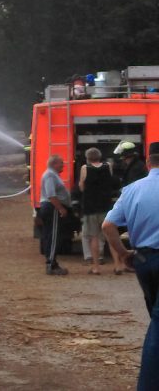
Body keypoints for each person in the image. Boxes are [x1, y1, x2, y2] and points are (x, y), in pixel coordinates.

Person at [102, 142, 159, 391]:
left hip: (145, 261)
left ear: (148, 163)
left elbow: (107, 226)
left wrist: (124, 254)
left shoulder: (131, 190)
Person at [78, 148, 114, 275]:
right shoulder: (108, 166)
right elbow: (111, 181)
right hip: (106, 206)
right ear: (100, 157)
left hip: (91, 208)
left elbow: (82, 187)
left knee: (94, 237)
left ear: (87, 158)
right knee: (110, 236)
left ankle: (96, 267)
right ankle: (118, 265)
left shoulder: (84, 168)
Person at [38, 155, 72, 275]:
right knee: (53, 237)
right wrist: (61, 208)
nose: (63, 165)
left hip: (51, 208)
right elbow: (51, 195)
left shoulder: (53, 175)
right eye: (61, 163)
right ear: (54, 164)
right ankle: (51, 265)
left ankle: (52, 262)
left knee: (50, 236)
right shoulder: (50, 175)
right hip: (52, 209)